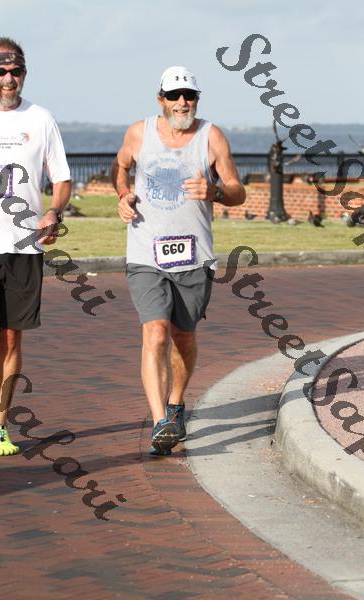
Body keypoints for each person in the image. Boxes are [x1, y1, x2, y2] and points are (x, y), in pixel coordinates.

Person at [115, 66, 245, 455]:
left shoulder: (211, 136)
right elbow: (121, 167)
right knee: (155, 331)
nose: (182, 102)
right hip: (146, 253)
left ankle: (175, 404)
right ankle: (160, 423)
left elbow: (237, 190)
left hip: (193, 256)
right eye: (174, 95)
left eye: (189, 95)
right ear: (161, 100)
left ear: (196, 99)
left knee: (182, 336)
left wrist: (215, 191)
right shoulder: (139, 133)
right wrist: (122, 194)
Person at [0, 37, 71, 455]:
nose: (8, 79)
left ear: (24, 74)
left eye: (15, 71)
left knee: (10, 341)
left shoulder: (40, 119)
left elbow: (62, 179)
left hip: (23, 248)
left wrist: (54, 212)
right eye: (0, 71)